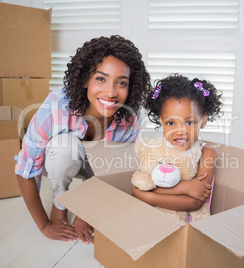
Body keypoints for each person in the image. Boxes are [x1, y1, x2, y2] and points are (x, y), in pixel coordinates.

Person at [15, 35, 150, 244]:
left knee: (126, 161)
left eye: (121, 82)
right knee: (63, 147)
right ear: (86, 79)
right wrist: (44, 225)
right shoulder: (56, 105)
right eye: (101, 78)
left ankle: (82, 203)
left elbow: (116, 170)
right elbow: (25, 169)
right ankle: (59, 203)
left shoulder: (131, 116)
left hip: (101, 168)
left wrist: (85, 212)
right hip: (63, 159)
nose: (111, 92)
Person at [132, 73, 223, 218]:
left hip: (188, 225)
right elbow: (140, 186)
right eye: (170, 123)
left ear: (203, 120)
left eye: (189, 122)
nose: (180, 131)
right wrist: (185, 187)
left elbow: (195, 202)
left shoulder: (207, 152)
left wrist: (149, 196)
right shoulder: (156, 149)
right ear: (161, 121)